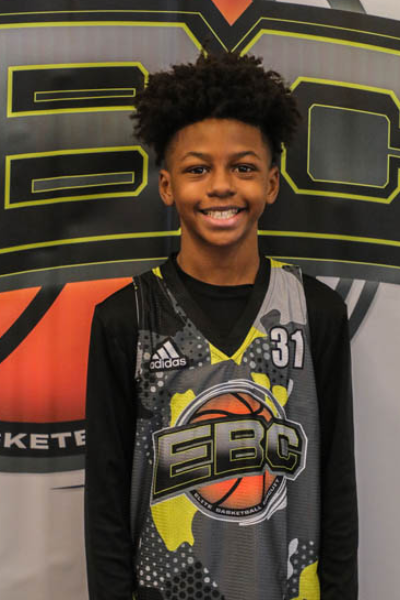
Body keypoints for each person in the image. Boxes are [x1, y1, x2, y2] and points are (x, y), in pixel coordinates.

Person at [85, 52, 358, 600]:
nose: (221, 186)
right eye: (197, 169)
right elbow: (105, 511)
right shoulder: (127, 318)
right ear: (167, 186)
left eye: (243, 167)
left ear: (272, 183)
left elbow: (337, 493)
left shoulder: (315, 312)